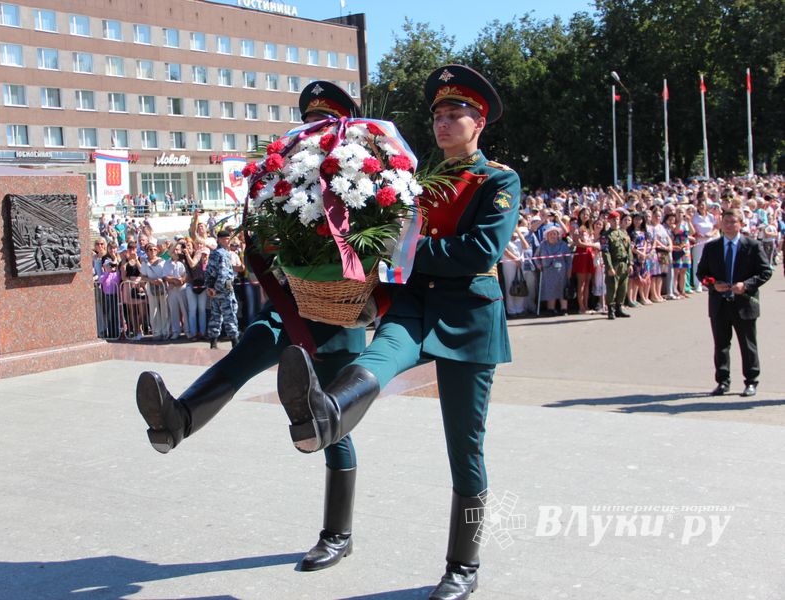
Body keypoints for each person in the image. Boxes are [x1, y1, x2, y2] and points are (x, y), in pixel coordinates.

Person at [275, 64, 520, 599]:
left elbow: (480, 251)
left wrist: (407, 253)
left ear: (479, 122)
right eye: (437, 113)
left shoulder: (498, 179)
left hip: (471, 317)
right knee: (377, 359)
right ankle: (327, 412)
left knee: (466, 447)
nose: (443, 121)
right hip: (414, 306)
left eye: (455, 113)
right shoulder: (414, 177)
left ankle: (463, 566)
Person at [135, 81, 369, 573]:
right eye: (309, 122)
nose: (313, 132)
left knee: (331, 423)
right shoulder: (284, 179)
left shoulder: (357, 181)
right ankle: (177, 420)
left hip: (335, 314)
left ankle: (337, 533)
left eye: (324, 123)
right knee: (238, 360)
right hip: (287, 308)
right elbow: (262, 246)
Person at [696, 209, 771, 397]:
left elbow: (765, 272)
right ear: (721, 224)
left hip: (744, 304)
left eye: (733, 221)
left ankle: (751, 381)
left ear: (741, 224)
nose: (729, 225)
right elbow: (701, 274)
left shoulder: (752, 246)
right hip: (719, 304)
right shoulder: (712, 247)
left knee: (748, 345)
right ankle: (723, 381)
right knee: (721, 344)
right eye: (726, 221)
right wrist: (713, 285)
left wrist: (746, 285)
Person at [204, 229, 240, 349]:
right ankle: (235, 343)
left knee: (215, 316)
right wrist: (218, 289)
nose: (227, 241)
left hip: (215, 290)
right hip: (224, 289)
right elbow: (224, 275)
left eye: (228, 238)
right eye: (225, 239)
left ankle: (213, 343)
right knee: (229, 316)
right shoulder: (222, 254)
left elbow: (208, 272)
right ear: (218, 239)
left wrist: (210, 287)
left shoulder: (214, 253)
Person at [601, 210, 632, 320]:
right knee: (612, 287)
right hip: (614, 263)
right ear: (609, 221)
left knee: (623, 287)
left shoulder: (623, 233)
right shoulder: (606, 235)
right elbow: (606, 252)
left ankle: (619, 308)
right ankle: (611, 309)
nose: (616, 221)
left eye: (617, 219)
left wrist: (630, 263)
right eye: (613, 220)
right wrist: (609, 267)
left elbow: (628, 249)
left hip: (624, 263)